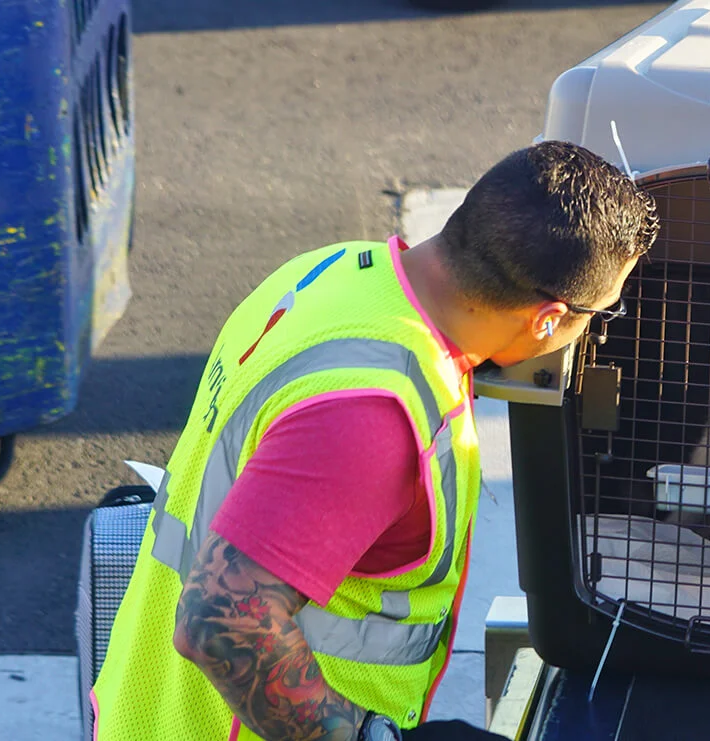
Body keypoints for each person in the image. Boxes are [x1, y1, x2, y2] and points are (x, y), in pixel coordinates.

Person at [89, 139, 659, 741]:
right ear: (547, 318)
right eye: (598, 314)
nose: (595, 329)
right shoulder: (378, 416)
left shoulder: (335, 273)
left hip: (149, 707)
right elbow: (222, 620)